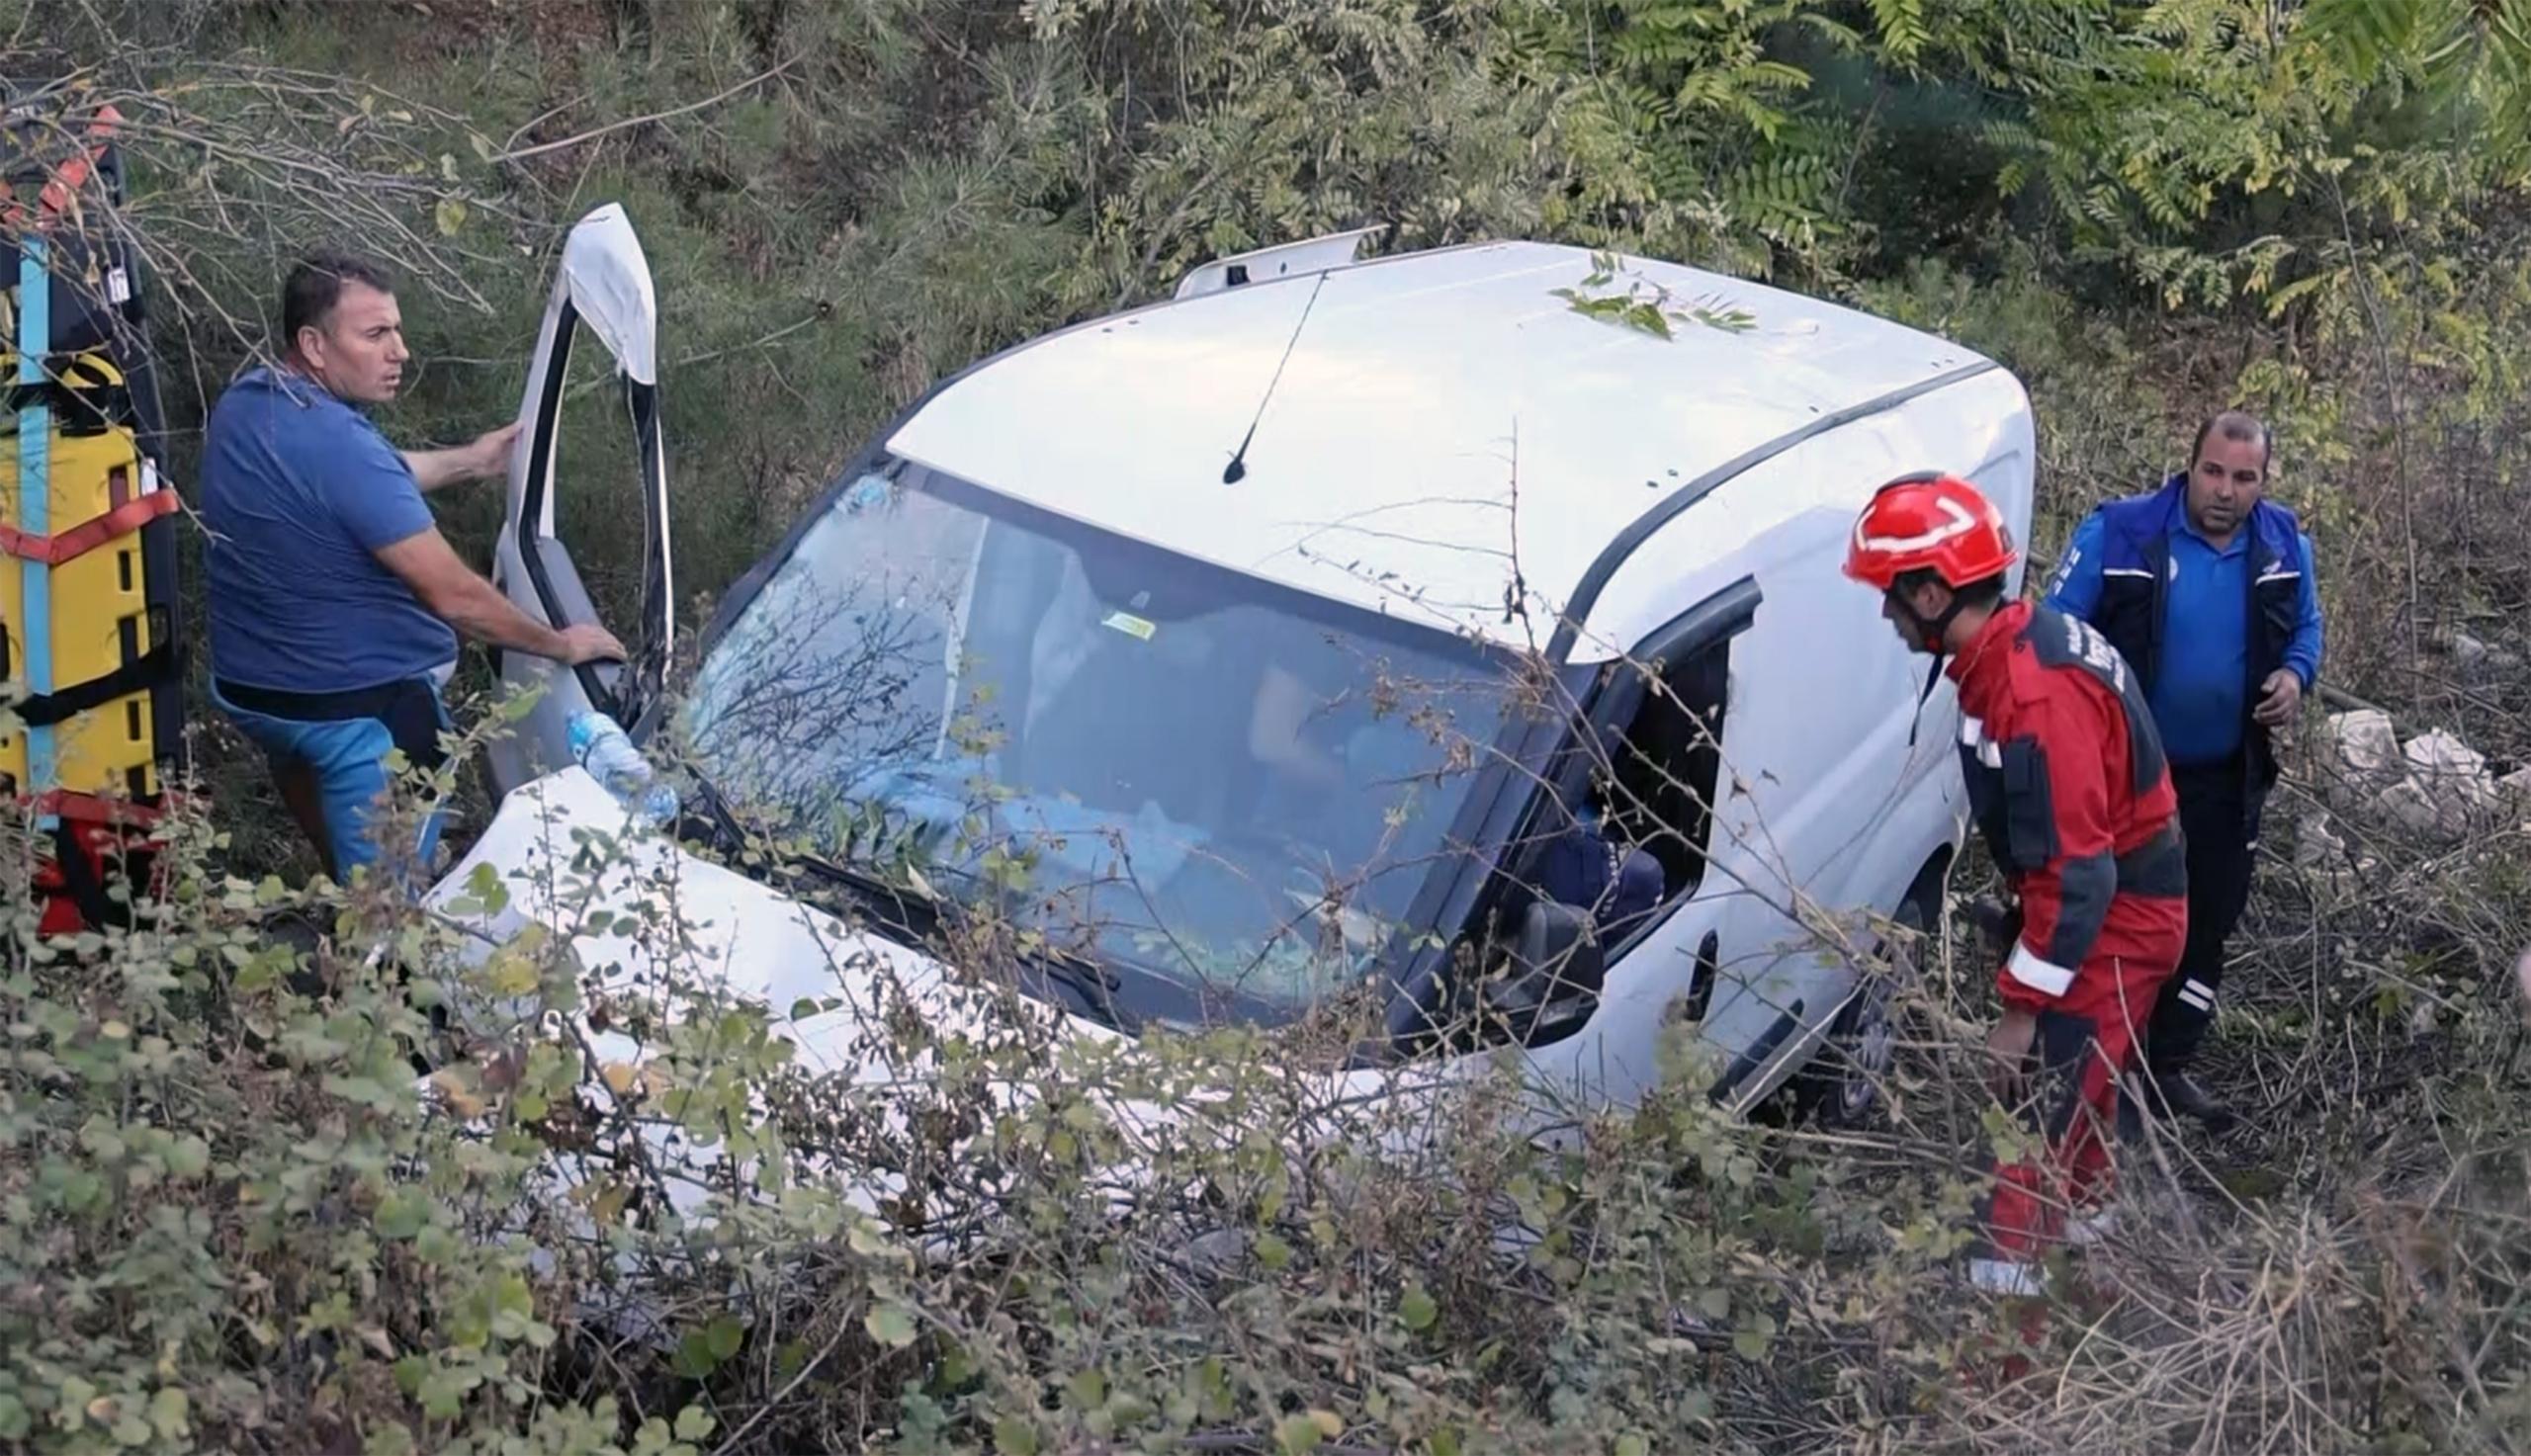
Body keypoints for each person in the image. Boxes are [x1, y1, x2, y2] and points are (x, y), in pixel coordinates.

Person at [1844, 472, 2188, 1295]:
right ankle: (2092, 1256)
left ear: (1931, 594)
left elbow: (2078, 872)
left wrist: (2021, 1009)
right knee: (2083, 1093)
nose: (1886, 616)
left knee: (2033, 1123)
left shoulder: (2033, 694)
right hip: (2115, 904)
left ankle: (2007, 1352)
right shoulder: (2016, 646)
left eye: (1891, 597)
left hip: (2119, 919)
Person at [202, 251, 625, 883]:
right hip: (353, 717)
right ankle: (380, 958)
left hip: (256, 697)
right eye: (375, 335)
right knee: (387, 919)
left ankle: (344, 892)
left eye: (396, 330)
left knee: (347, 869)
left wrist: (470, 461)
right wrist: (558, 644)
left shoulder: (248, 405)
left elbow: (369, 479)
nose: (399, 351)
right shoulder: (344, 449)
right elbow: (455, 597)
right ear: (314, 345)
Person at [2044, 410, 2323, 1133]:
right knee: (2113, 920)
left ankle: (2163, 1070)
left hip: (2226, 781)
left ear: (2264, 481)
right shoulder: (2121, 533)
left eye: (2244, 477)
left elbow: (2307, 631)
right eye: (2213, 471)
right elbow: (2051, 632)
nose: (2225, 490)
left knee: (2207, 927)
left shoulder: (2284, 543)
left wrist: (2296, 674)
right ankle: (2083, 1063)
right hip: (2125, 781)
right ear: (2189, 465)